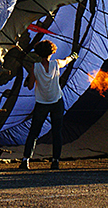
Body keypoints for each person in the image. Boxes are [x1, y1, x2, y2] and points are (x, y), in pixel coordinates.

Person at [19, 40, 77, 170]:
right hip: (56, 102)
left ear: (39, 53)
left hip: (42, 103)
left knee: (34, 133)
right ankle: (55, 161)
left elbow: (29, 87)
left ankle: (25, 160)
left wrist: (28, 79)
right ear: (52, 52)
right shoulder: (56, 64)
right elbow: (66, 61)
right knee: (57, 132)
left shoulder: (35, 67)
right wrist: (73, 56)